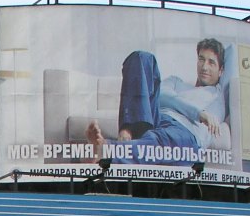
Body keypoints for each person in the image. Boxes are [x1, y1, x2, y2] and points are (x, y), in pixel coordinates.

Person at [85, 38, 227, 162]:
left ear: (221, 71)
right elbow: (162, 97)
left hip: (181, 130)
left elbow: (207, 130)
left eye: (211, 62)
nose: (204, 67)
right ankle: (127, 130)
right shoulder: (176, 81)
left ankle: (108, 149)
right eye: (201, 59)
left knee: (162, 140)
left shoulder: (216, 97)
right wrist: (198, 113)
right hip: (154, 118)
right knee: (141, 57)